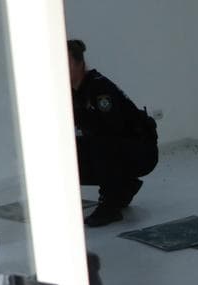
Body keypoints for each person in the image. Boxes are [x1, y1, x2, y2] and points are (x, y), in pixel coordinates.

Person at [67, 39, 158, 227]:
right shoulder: (72, 92)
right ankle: (124, 186)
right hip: (121, 149)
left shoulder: (99, 88)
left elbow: (113, 131)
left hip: (142, 151)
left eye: (66, 63)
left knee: (101, 143)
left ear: (79, 64)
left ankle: (110, 205)